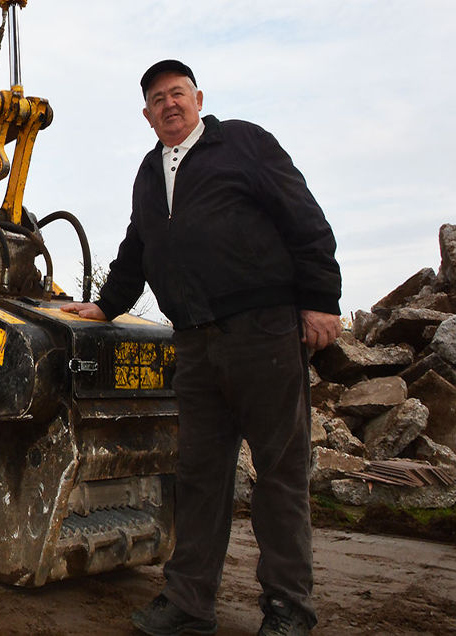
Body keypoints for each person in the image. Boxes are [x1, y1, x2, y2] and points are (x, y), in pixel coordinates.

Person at [59, 61, 342, 636]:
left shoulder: (243, 142)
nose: (169, 105)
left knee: (279, 473)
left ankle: (289, 607)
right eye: (158, 99)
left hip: (261, 331)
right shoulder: (149, 172)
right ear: (146, 114)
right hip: (194, 341)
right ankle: (189, 601)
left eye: (178, 94)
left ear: (198, 98)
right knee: (198, 476)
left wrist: (321, 300)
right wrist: (106, 304)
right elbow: (138, 243)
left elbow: (304, 218)